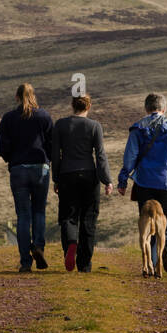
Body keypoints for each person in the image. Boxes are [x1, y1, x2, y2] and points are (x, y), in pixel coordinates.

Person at [118, 93, 167, 275]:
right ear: (164, 109)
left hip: (144, 182)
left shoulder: (137, 129)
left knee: (147, 223)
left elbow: (129, 157)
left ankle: (151, 263)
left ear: (146, 109)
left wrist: (123, 180)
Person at [51, 94, 112, 273]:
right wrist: (107, 180)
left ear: (72, 105)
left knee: (68, 216)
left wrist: (56, 178)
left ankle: (71, 243)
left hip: (67, 176)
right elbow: (100, 155)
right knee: (88, 218)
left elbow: (55, 155)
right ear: (89, 107)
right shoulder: (94, 126)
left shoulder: (60, 125)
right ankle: (84, 264)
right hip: (89, 175)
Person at [0, 83, 54, 272]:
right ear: (33, 96)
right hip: (40, 168)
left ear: (16, 97)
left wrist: (11, 159)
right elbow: (52, 145)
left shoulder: (8, 118)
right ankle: (38, 246)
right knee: (39, 211)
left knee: (23, 215)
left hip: (18, 169)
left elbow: (2, 148)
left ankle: (25, 261)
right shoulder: (44, 116)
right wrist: (48, 160)